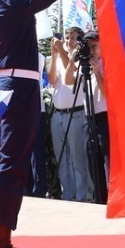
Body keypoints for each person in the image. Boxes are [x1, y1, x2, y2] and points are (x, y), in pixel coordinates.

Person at [0, 0, 83, 248]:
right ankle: (1, 245)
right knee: (12, 165)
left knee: (3, 165)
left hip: (12, 87)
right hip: (18, 89)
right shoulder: (5, 4)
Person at [47, 28, 94, 203]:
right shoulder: (59, 56)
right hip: (58, 113)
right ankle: (68, 193)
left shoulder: (79, 59)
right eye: (67, 37)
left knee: (78, 157)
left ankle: (84, 195)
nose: (69, 40)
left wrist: (62, 51)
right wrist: (54, 54)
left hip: (76, 114)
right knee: (63, 157)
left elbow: (71, 72)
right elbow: (52, 79)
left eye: (74, 37)